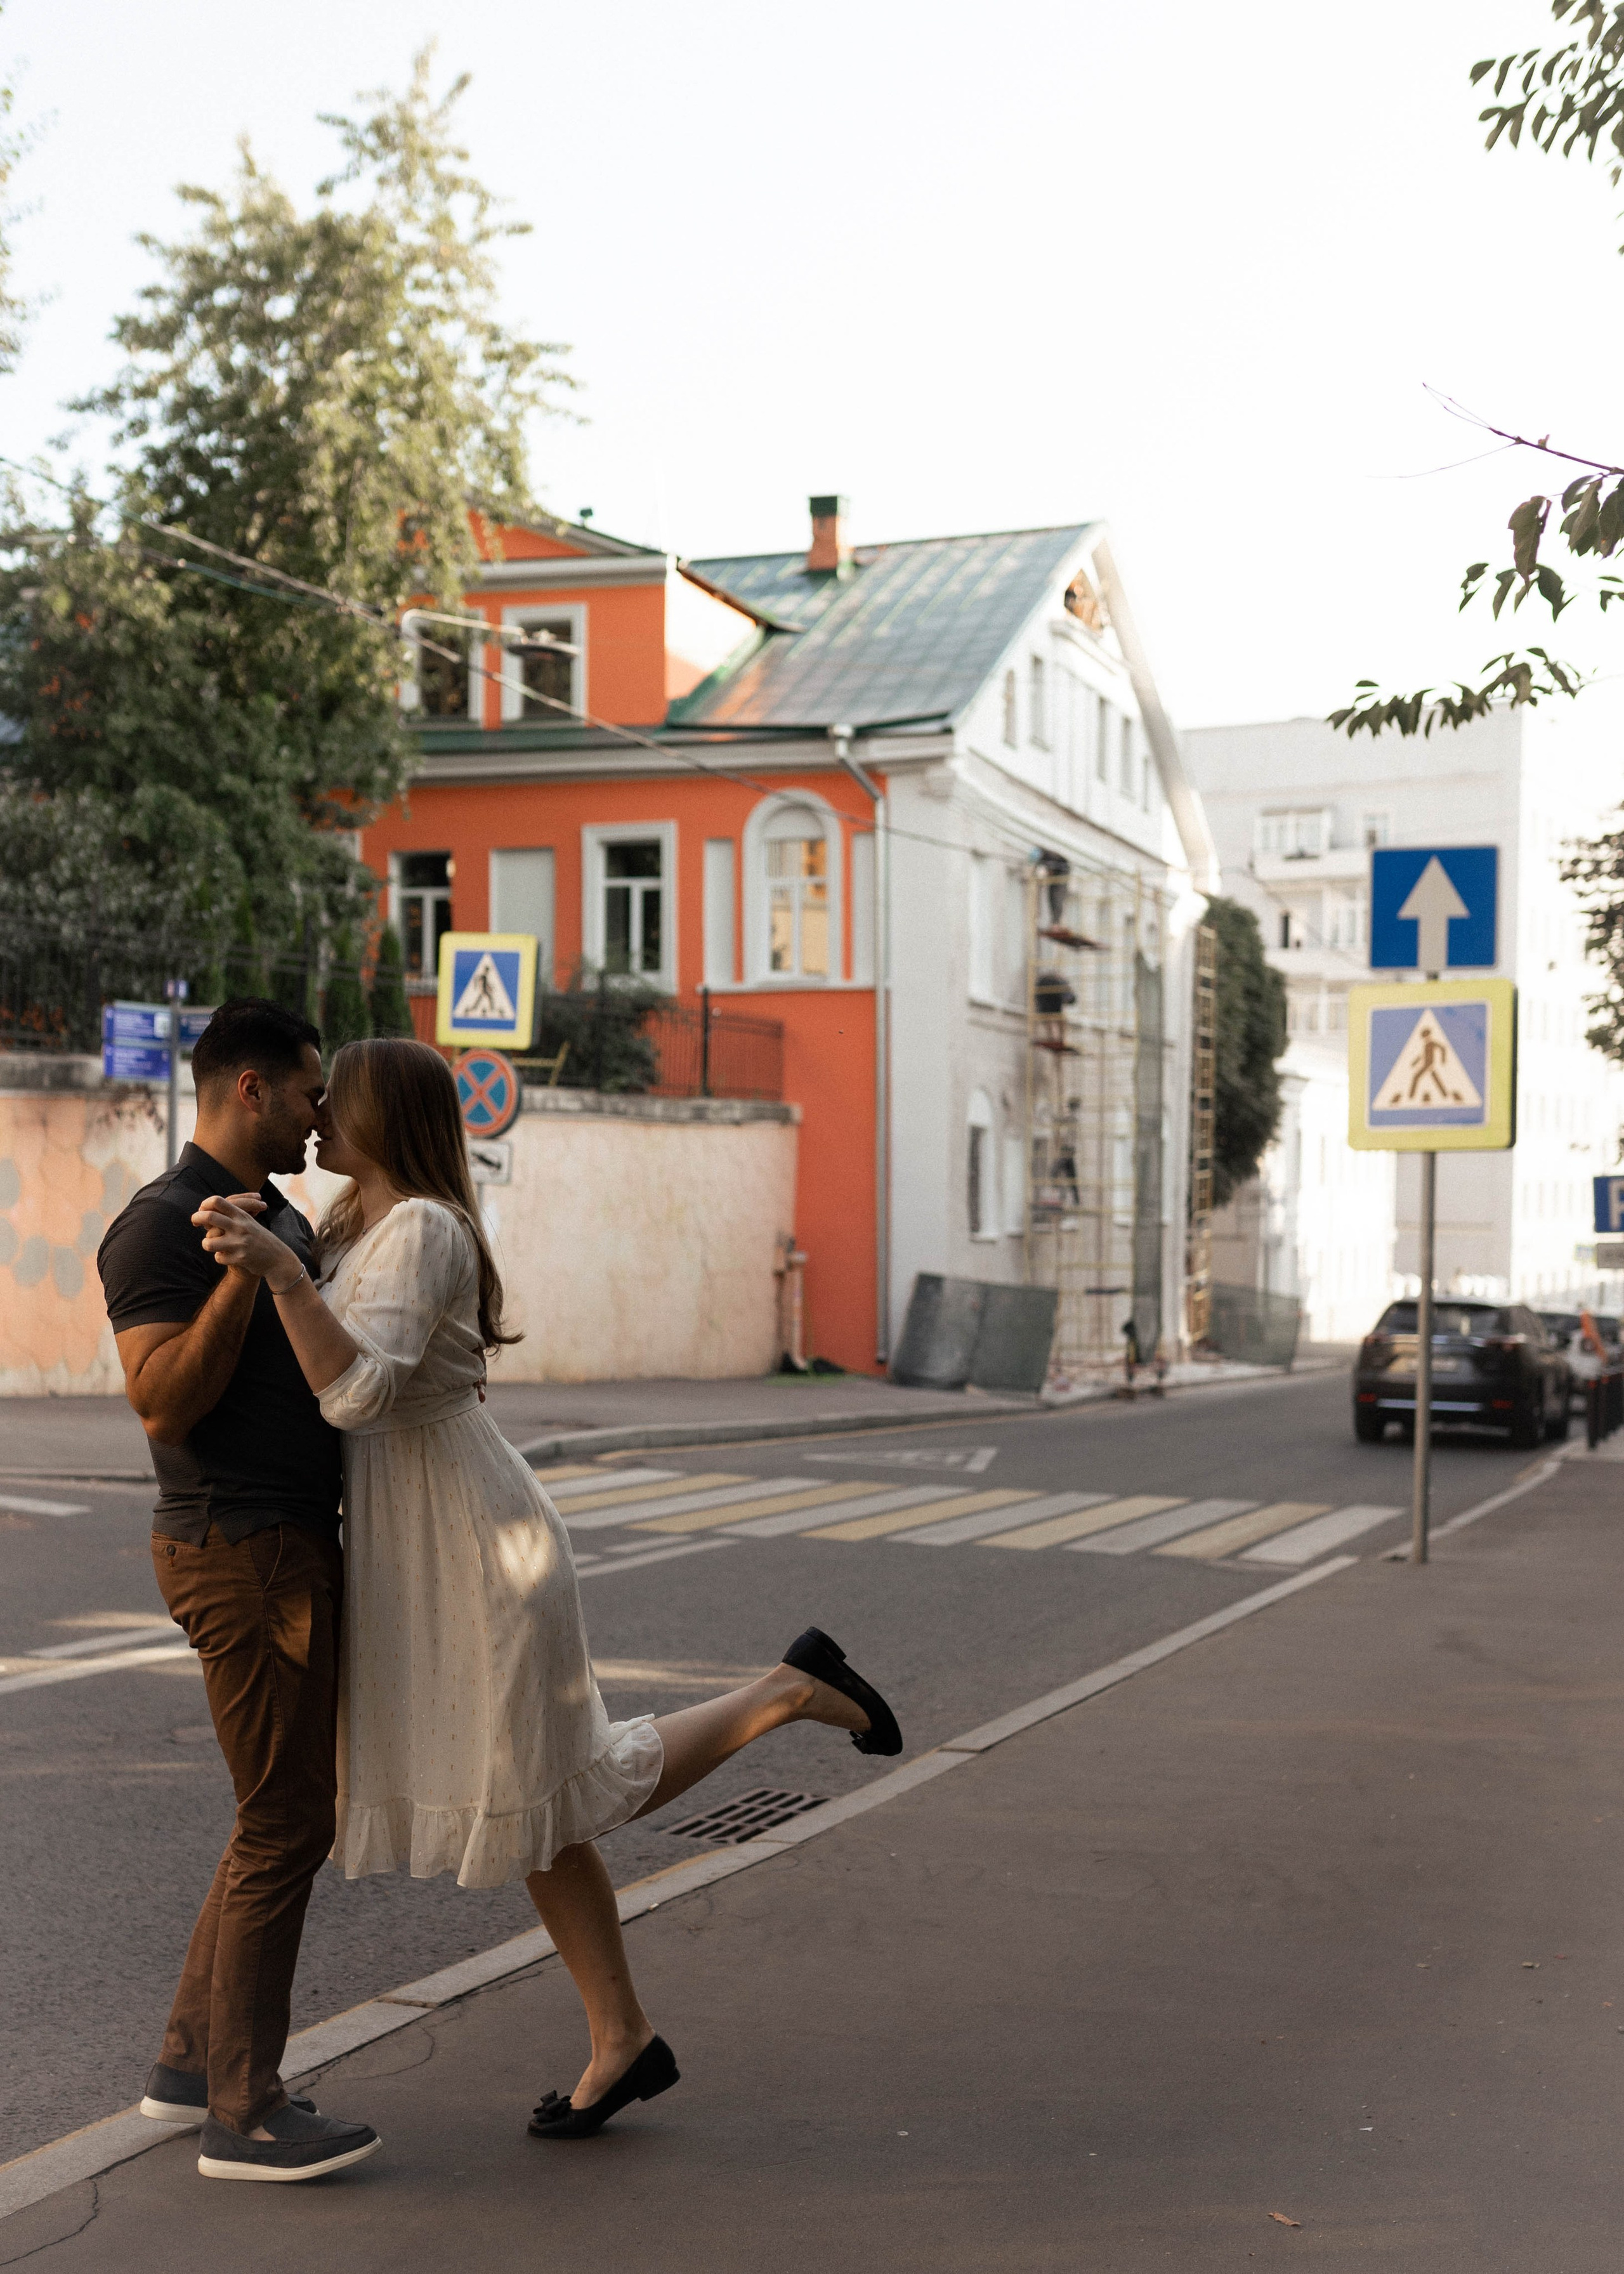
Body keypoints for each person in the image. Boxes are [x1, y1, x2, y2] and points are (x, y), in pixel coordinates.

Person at [194, 1035, 901, 2143]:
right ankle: (622, 2036)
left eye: (342, 1096)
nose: (321, 1110)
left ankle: (789, 1690)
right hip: (421, 1542)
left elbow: (361, 1392)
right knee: (534, 1803)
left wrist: (282, 1277)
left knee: (563, 1787)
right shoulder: (353, 1224)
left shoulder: (425, 1226)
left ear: (390, 1118)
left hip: (478, 1544)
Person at [96, 999, 382, 2185]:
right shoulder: (162, 1228)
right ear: (250, 1087)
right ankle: (248, 2111)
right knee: (284, 1820)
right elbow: (161, 1400)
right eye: (311, 1090)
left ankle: (186, 2065)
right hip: (240, 1547)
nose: (323, 1112)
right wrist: (243, 1278)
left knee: (273, 1811)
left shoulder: (285, 1216)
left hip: (285, 1542)